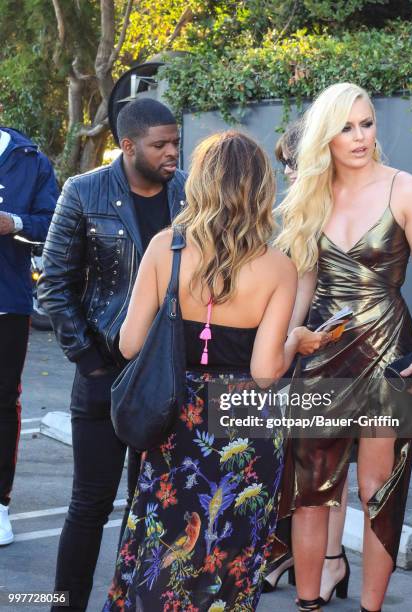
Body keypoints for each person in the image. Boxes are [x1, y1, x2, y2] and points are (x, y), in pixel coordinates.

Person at [102, 131, 328, 611]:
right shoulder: (277, 268)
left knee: (164, 544)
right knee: (230, 551)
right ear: (260, 189)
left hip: (174, 421)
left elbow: (129, 344)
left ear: (200, 183)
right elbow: (267, 372)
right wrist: (295, 340)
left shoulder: (167, 248)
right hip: (245, 428)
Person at [275, 82, 412, 612]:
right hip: (322, 354)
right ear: (325, 136)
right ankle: (308, 602)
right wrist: (287, 341)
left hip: (389, 351)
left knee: (379, 491)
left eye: (367, 124)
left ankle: (372, 608)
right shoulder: (310, 195)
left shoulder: (406, 189)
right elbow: (303, 281)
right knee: (311, 489)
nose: (359, 137)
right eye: (346, 127)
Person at [38, 98, 186, 611]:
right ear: (127, 146)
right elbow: (53, 286)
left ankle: (127, 602)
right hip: (103, 370)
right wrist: (89, 359)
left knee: (149, 504)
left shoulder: (189, 194)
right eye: (160, 145)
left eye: (175, 142)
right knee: (90, 503)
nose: (172, 153)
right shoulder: (84, 191)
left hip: (166, 374)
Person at [264, 123, 351, 605]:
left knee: (326, 461)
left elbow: (305, 286)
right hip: (319, 343)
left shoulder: (333, 208)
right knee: (311, 459)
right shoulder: (312, 209)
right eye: (286, 163)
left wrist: (284, 345)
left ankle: (330, 559)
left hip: (333, 343)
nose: (289, 172)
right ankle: (306, 558)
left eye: (296, 163)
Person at [0, 124, 58, 546]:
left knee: (3, 403)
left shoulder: (30, 158)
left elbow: (52, 223)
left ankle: (0, 506)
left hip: (7, 302)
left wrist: (13, 221)